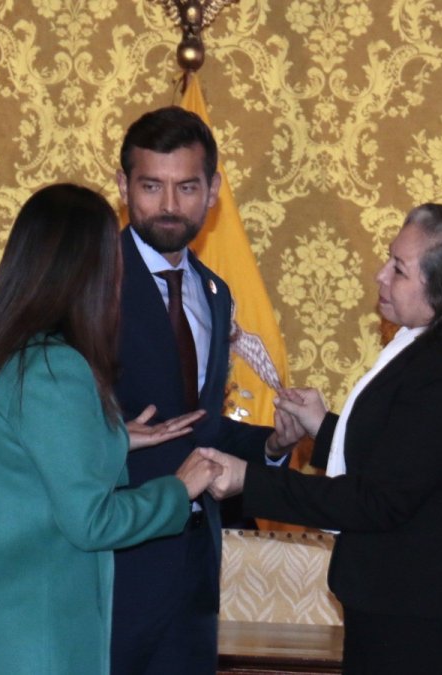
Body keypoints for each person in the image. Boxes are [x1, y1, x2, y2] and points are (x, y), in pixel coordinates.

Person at [203, 203, 442, 674]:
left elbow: (379, 498)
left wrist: (250, 479)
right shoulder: (434, 348)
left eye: (399, 269)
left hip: (423, 618)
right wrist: (321, 426)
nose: (380, 275)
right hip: (402, 604)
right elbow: (401, 457)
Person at [0, 183, 222, 674]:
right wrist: (179, 490)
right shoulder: (57, 368)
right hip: (39, 623)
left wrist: (112, 437)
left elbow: (23, 456)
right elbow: (92, 522)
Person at [110, 106, 305, 674]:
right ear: (123, 186)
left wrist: (272, 446)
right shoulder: (90, 283)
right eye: (152, 186)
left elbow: (199, 428)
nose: (169, 205)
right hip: (111, 564)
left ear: (213, 190)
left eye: (187, 187)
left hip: (195, 568)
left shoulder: (215, 293)